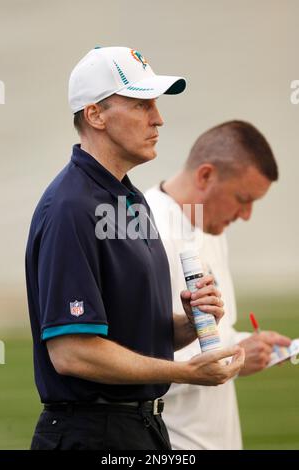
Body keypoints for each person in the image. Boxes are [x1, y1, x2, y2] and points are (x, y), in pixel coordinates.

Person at [25, 47, 245, 451]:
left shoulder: (129, 199)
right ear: (95, 115)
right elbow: (73, 353)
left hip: (139, 426)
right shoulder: (71, 207)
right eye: (142, 105)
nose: (158, 118)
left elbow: (133, 334)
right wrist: (186, 372)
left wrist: (192, 322)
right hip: (91, 434)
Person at [145, 120, 291, 450]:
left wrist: (245, 346)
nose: (247, 215)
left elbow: (212, 339)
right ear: (206, 175)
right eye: (243, 198)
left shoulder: (210, 228)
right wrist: (236, 358)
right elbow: (130, 363)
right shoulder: (144, 230)